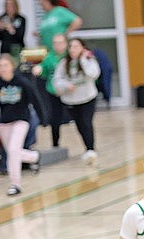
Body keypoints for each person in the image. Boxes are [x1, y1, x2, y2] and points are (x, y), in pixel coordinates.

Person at [0, 54, 45, 196]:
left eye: (6, 65)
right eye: (0, 66)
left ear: (12, 66)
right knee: (13, 153)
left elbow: (35, 99)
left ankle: (15, 184)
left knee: (13, 151)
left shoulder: (22, 82)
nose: (3, 68)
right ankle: (34, 157)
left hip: (21, 121)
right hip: (4, 124)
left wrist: (43, 118)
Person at [52, 37, 100, 165]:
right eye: (71, 46)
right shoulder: (63, 63)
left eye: (76, 46)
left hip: (88, 98)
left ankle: (91, 149)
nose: (73, 49)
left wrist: (83, 59)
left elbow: (93, 74)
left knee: (86, 122)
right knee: (79, 125)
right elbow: (57, 80)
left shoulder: (89, 60)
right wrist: (66, 85)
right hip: (71, 101)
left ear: (82, 48)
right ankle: (87, 147)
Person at [32, 32, 69, 149]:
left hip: (70, 91)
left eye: (60, 43)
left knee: (79, 118)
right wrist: (38, 69)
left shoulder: (69, 56)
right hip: (53, 91)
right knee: (55, 118)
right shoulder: (50, 57)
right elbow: (43, 68)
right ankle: (55, 144)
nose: (58, 45)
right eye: (55, 43)